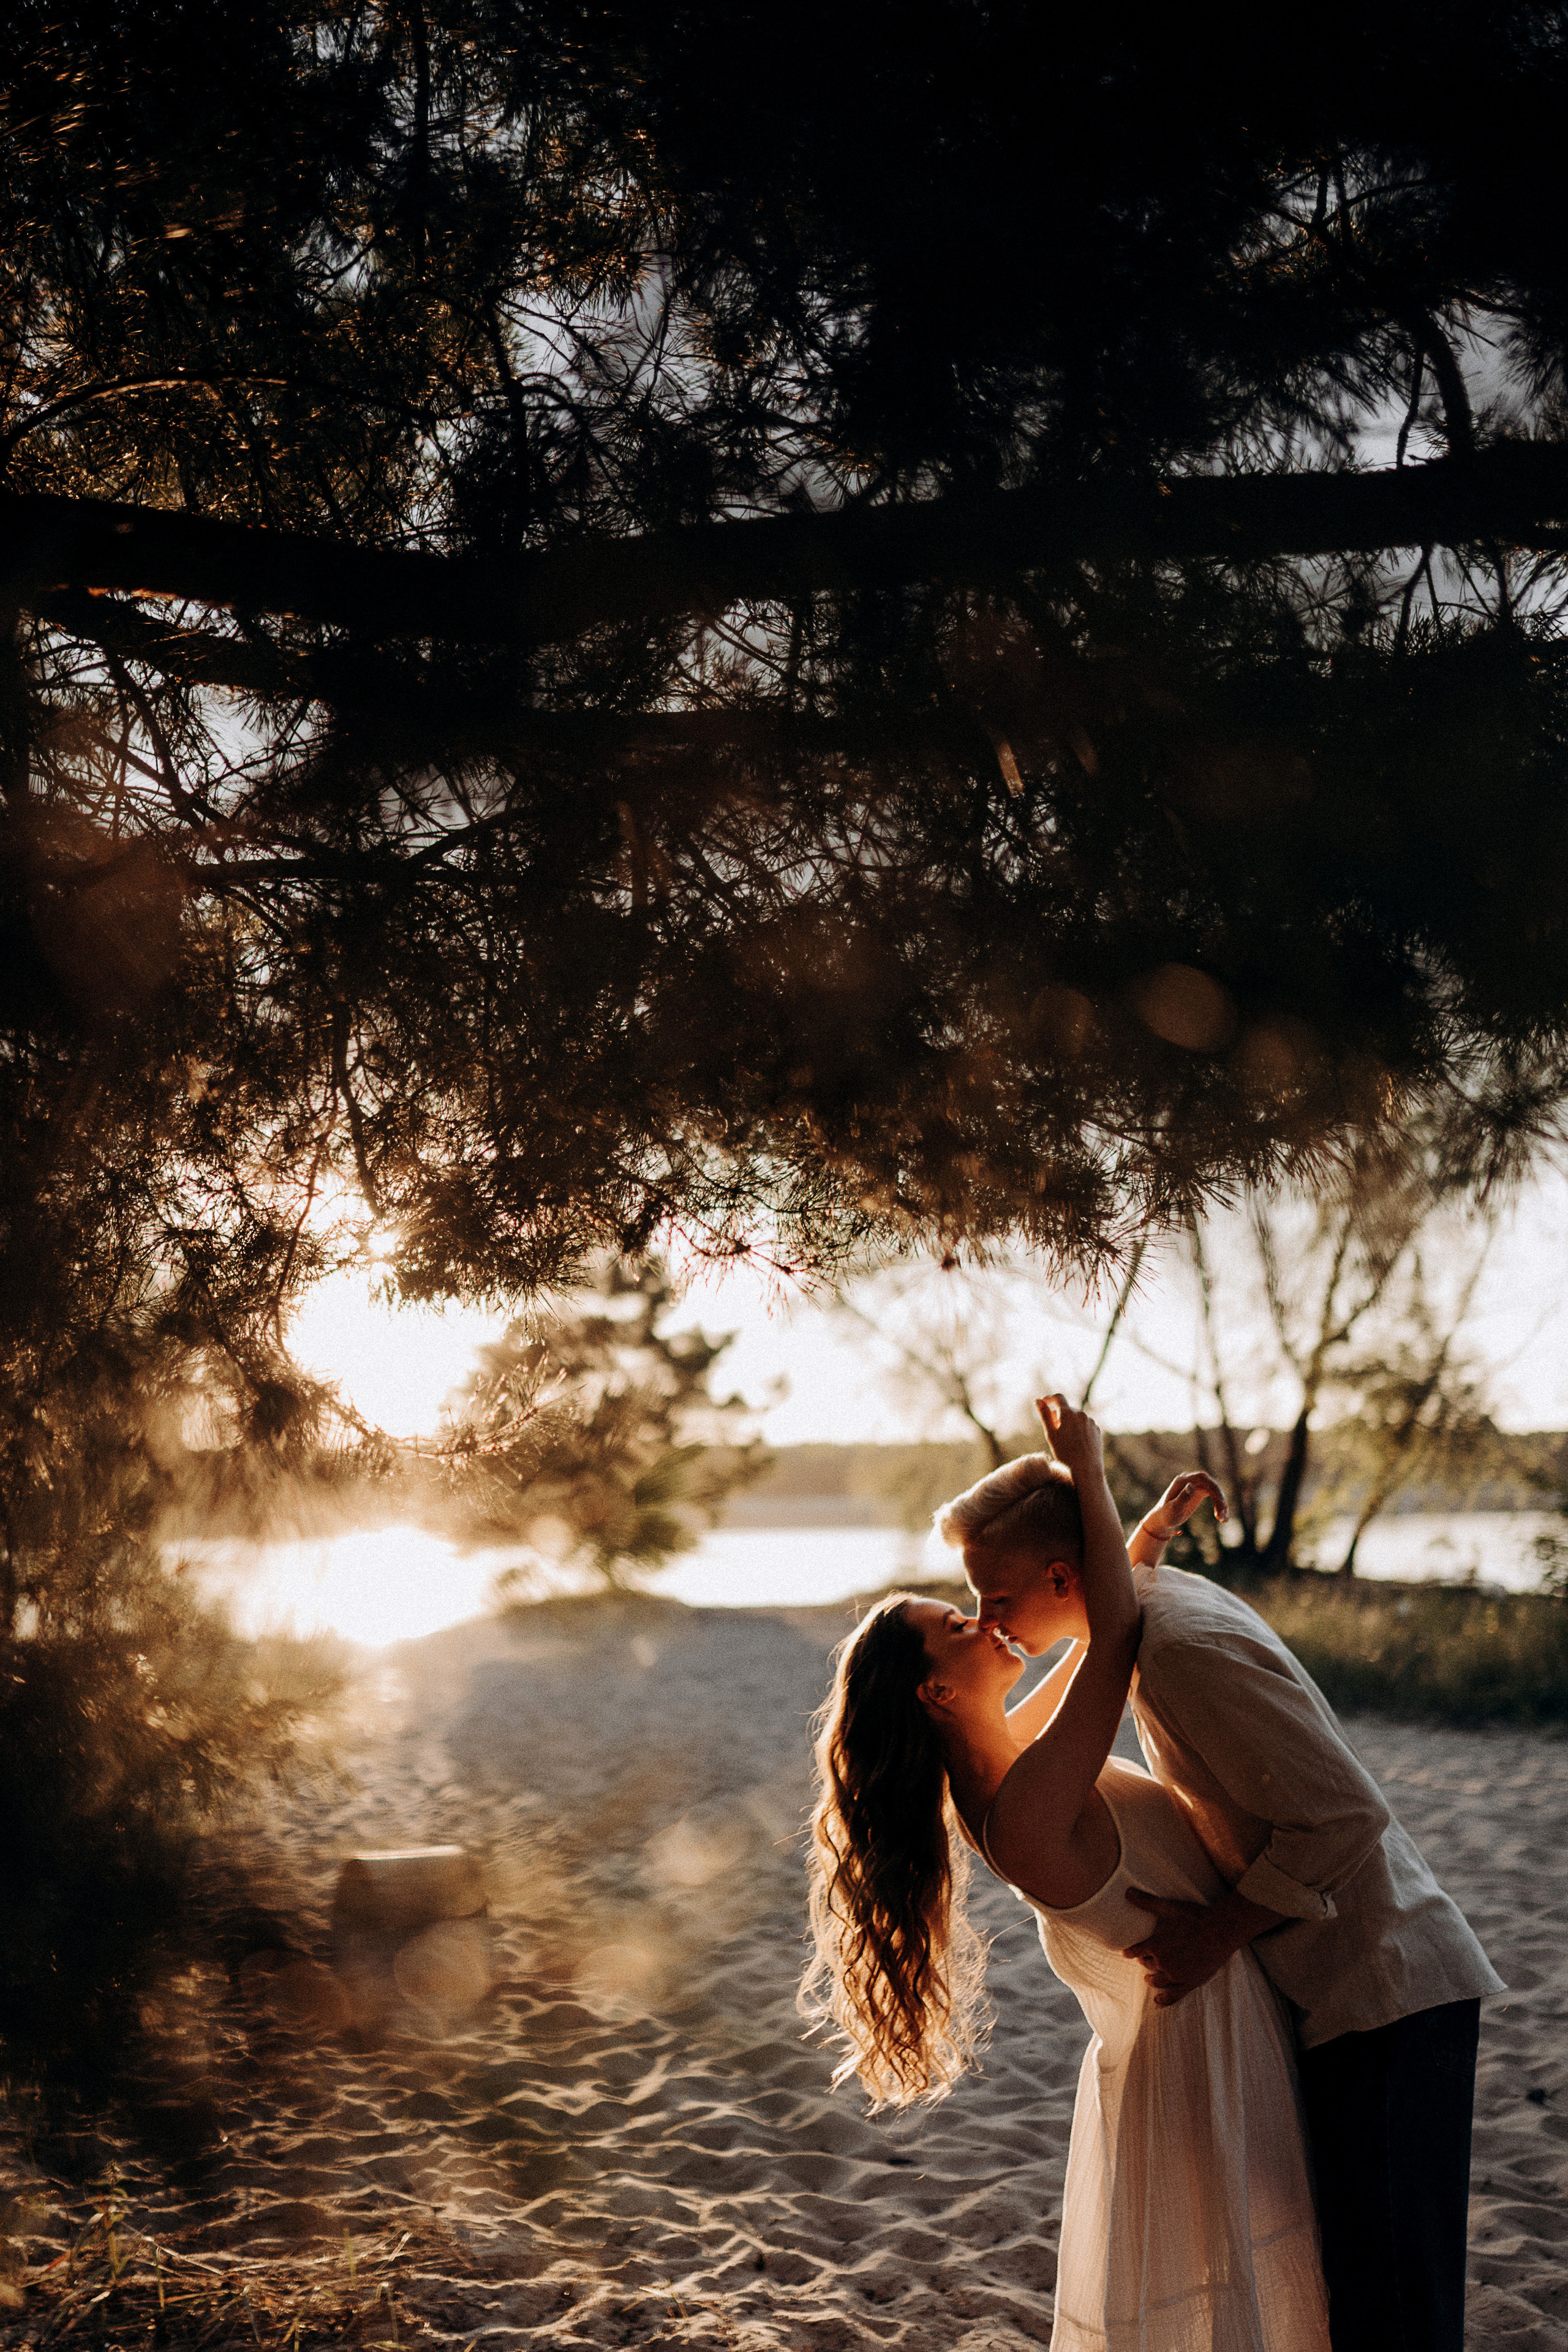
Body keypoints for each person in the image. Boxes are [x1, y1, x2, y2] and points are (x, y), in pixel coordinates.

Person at [803, 1397, 1331, 2352]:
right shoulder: (1024, 1803)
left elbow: (1095, 1630)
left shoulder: (1004, 1764)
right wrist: (1086, 1467)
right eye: (961, 1621)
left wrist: (1152, 1531)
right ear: (934, 1689)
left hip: (1197, 2024)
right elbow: (1117, 1640)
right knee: (1255, 2291)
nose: (987, 1621)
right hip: (1201, 2041)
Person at [954, 1441, 1503, 2352]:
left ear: (1062, 1575)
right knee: (1372, 2302)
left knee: (1396, 2316)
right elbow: (1115, 1595)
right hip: (1355, 1998)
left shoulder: (1176, 1649)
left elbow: (1346, 1815)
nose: (988, 1619)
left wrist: (1218, 1933)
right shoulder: (1144, 1611)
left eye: (994, 1597)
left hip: (1386, 1996)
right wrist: (1147, 1536)